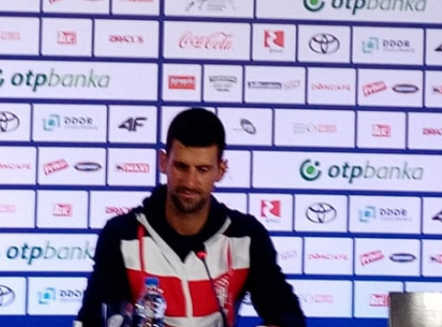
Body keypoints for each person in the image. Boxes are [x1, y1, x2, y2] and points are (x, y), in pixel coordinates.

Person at [76, 108, 306, 327]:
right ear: (163, 162)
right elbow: (93, 318)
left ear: (220, 170)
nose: (190, 181)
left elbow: (289, 317)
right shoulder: (121, 235)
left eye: (202, 169)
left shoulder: (246, 236)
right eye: (181, 167)